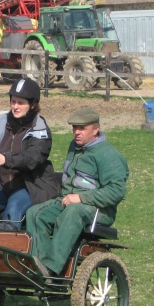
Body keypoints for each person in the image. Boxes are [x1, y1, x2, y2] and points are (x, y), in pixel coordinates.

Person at [25, 107, 129, 278]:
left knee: (73, 212)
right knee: (36, 213)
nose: (76, 132)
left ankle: (51, 268)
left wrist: (80, 198)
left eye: (82, 128)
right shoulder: (75, 147)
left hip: (98, 210)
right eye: (74, 128)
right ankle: (37, 264)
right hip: (68, 201)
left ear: (96, 130)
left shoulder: (109, 155)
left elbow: (116, 191)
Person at [0, 78, 60, 229]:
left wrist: (6, 159)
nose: (15, 106)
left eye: (21, 103)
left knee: (13, 211)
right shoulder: (0, 123)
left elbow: (33, 158)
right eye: (13, 102)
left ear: (33, 105)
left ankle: (9, 251)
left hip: (29, 186)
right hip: (0, 184)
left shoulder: (40, 128)